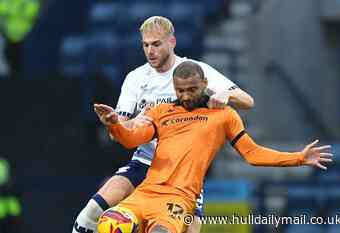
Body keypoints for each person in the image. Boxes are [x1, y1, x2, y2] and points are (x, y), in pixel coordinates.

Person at [94, 61, 333, 233]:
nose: (186, 96)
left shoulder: (224, 116)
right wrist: (115, 125)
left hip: (178, 200)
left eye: (192, 90)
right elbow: (131, 138)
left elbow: (253, 154)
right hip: (145, 193)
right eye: (180, 91)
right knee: (108, 224)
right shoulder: (161, 112)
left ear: (205, 84)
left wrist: (299, 158)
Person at [73, 16, 254, 233]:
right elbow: (119, 132)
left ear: (172, 42)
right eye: (146, 45)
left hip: (184, 175)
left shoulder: (194, 71)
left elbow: (247, 100)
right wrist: (120, 122)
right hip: (143, 164)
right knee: (89, 214)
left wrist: (225, 94)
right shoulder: (135, 78)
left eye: (156, 44)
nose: (150, 51)